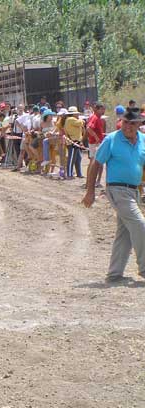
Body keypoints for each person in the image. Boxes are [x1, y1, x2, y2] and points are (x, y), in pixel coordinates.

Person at [82, 107, 145, 283]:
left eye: (132, 123)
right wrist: (90, 191)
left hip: (134, 190)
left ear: (139, 124)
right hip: (117, 190)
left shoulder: (143, 141)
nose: (128, 127)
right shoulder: (112, 139)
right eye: (125, 122)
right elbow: (96, 163)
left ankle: (114, 273)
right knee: (140, 224)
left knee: (125, 232)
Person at [86, 103, 106, 187]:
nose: (103, 111)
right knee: (94, 162)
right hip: (95, 144)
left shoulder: (98, 118)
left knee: (98, 162)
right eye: (101, 109)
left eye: (103, 109)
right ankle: (90, 182)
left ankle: (95, 181)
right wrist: (96, 137)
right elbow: (88, 128)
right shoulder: (95, 118)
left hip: (96, 143)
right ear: (96, 109)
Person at [63, 106, 84, 179]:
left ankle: (79, 173)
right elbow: (81, 123)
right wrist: (82, 120)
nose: (78, 115)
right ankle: (69, 174)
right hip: (72, 141)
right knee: (71, 158)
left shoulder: (71, 119)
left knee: (78, 158)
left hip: (76, 141)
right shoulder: (70, 119)